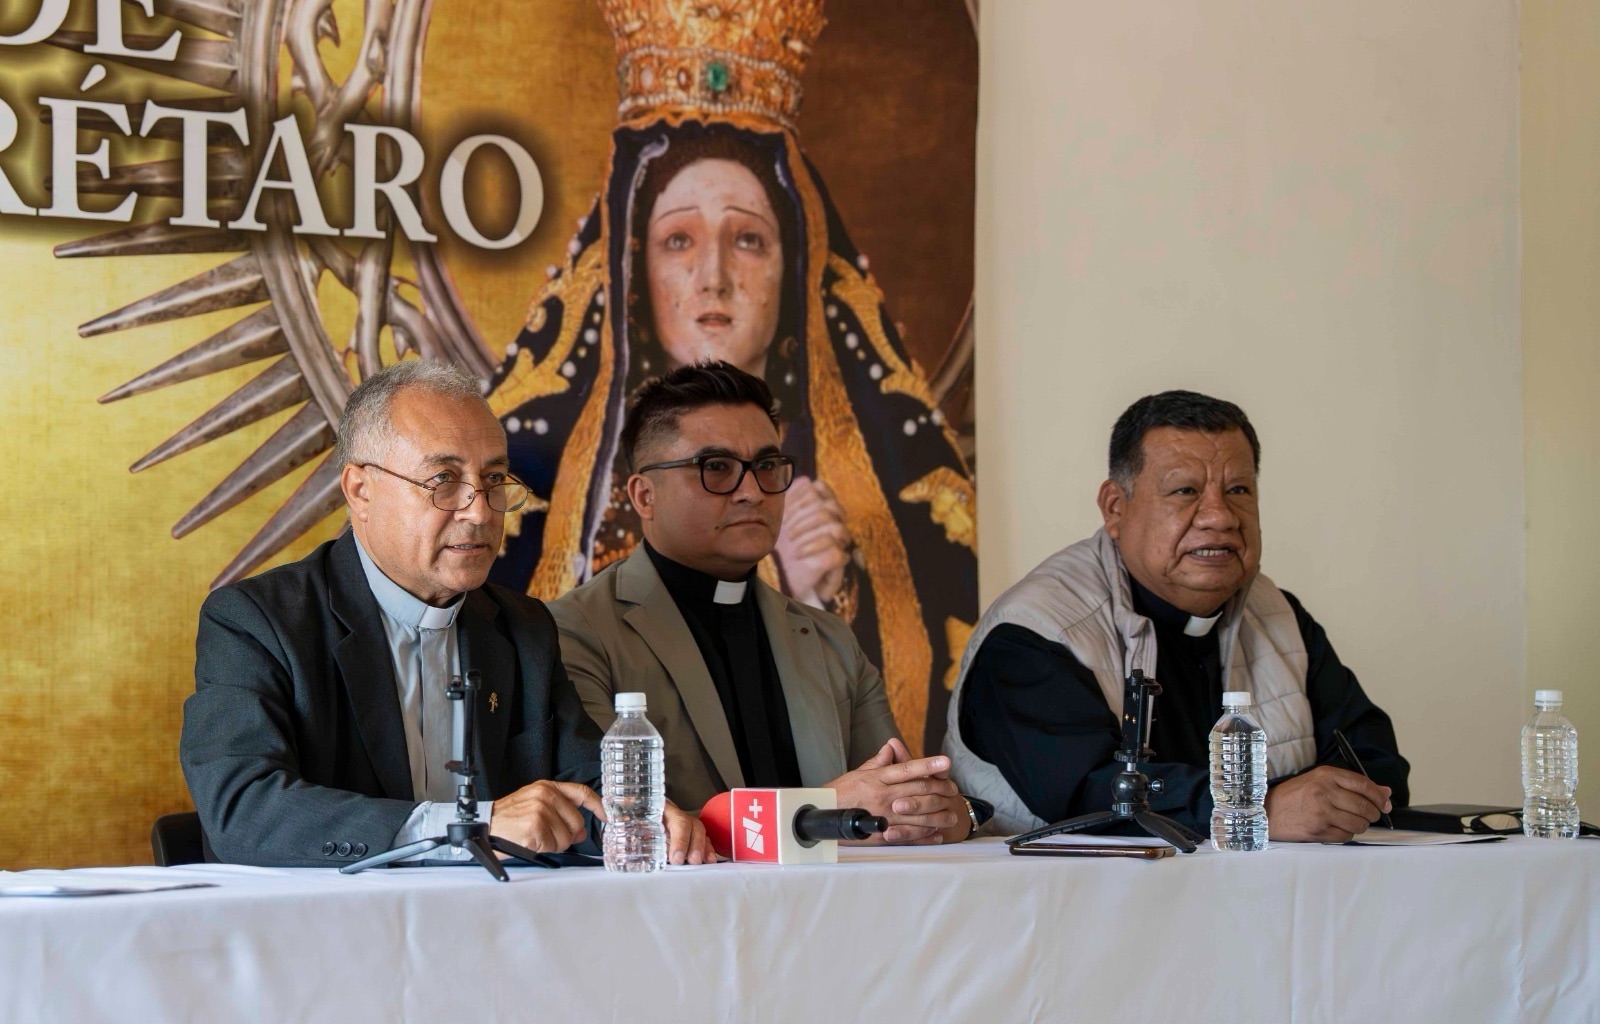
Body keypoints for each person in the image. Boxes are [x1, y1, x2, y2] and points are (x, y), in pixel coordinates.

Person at [485, 0, 977, 759]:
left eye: (747, 239)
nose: (713, 276)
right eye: (680, 240)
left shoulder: (830, 638)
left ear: (793, 267)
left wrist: (828, 594)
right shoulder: (574, 625)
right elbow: (624, 802)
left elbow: (895, 778)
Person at [180, 360, 713, 867]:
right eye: (443, 481)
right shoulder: (258, 622)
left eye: (494, 480)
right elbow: (241, 806)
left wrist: (637, 817)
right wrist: (467, 828)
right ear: (360, 490)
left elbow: (583, 784)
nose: (479, 511)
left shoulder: (522, 628)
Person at [947, 391, 1410, 842]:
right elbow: (1089, 791)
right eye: (1185, 491)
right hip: (1072, 891)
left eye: (1238, 490)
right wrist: (1259, 808)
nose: (1220, 517)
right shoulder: (1037, 628)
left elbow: (1374, 763)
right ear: (1115, 508)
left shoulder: (1278, 615)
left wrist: (1338, 802)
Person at [550, 361, 981, 844]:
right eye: (717, 468)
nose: (752, 492)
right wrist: (819, 813)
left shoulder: (830, 640)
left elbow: (893, 800)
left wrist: (942, 813)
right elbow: (610, 825)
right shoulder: (575, 632)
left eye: (767, 466)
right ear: (644, 496)